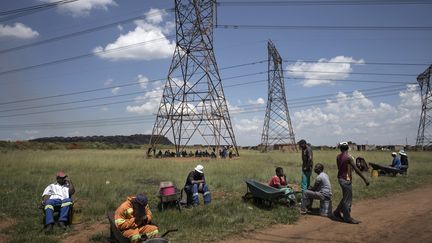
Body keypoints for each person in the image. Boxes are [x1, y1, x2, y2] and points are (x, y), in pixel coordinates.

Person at [333, 142, 369, 224]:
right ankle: (347, 218)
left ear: (341, 149)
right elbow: (356, 169)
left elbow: (340, 168)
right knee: (347, 200)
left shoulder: (338, 157)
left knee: (345, 197)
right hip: (346, 179)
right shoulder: (349, 158)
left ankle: (337, 212)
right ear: (347, 149)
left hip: (340, 178)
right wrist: (365, 179)